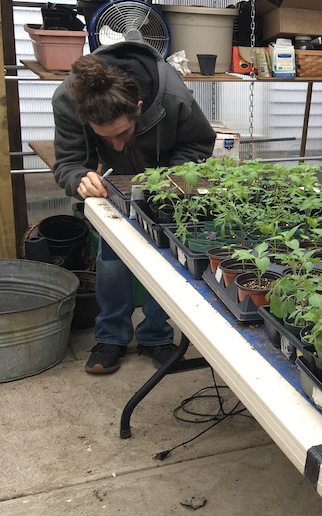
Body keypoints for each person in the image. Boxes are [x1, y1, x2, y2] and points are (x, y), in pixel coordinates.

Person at [52, 41, 216, 375]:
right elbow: (68, 162)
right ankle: (110, 338)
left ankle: (156, 337)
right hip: (112, 188)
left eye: (122, 133)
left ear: (139, 107)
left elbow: (198, 142)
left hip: (164, 186)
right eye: (104, 137)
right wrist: (81, 178)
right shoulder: (68, 100)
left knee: (163, 259)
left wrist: (172, 177)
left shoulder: (171, 96)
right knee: (111, 259)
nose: (115, 144)